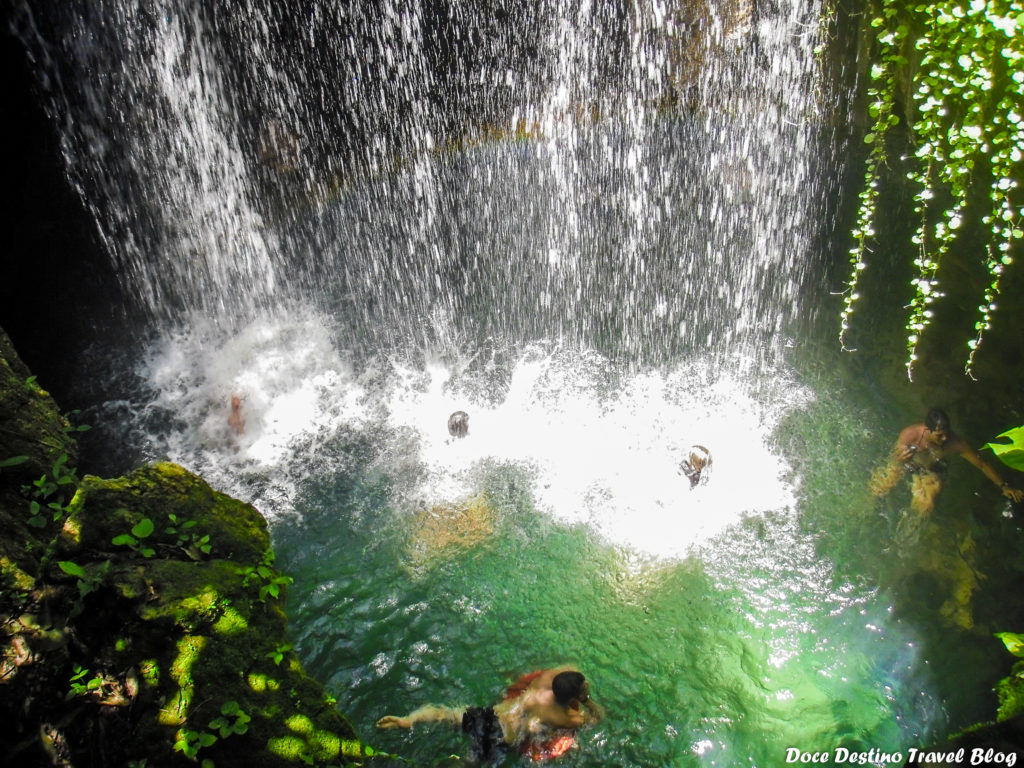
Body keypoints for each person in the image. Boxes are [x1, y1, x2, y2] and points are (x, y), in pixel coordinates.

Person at [376, 667, 600, 763]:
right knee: (467, 764)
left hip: (490, 715)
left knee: (444, 715)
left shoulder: (542, 682)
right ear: (572, 697)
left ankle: (409, 719)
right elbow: (598, 718)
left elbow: (563, 670)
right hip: (499, 740)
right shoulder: (564, 717)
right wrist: (587, 699)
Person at [870, 407, 1024, 516]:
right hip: (910, 463)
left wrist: (1004, 486)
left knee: (927, 505)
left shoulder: (956, 443)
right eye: (939, 435)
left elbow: (982, 464)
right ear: (927, 429)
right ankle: (865, 509)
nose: (945, 438)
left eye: (947, 433)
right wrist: (899, 460)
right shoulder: (909, 435)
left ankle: (903, 536)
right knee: (880, 489)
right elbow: (893, 459)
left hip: (933, 468)